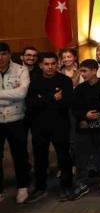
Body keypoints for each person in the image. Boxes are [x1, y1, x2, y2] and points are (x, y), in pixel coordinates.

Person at [25, 52, 77, 203]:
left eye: (53, 64)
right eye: (46, 64)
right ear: (41, 65)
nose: (50, 67)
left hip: (60, 125)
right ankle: (40, 187)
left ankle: (66, 186)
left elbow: (67, 102)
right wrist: (52, 98)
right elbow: (30, 103)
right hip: (39, 126)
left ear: (57, 64)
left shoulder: (65, 80)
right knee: (40, 158)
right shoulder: (35, 81)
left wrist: (42, 99)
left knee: (64, 157)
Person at [72, 59, 100, 199]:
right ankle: (81, 183)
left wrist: (91, 121)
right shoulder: (79, 89)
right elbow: (74, 108)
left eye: (84, 71)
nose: (82, 74)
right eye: (81, 71)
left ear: (94, 71)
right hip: (83, 129)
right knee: (82, 157)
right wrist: (84, 116)